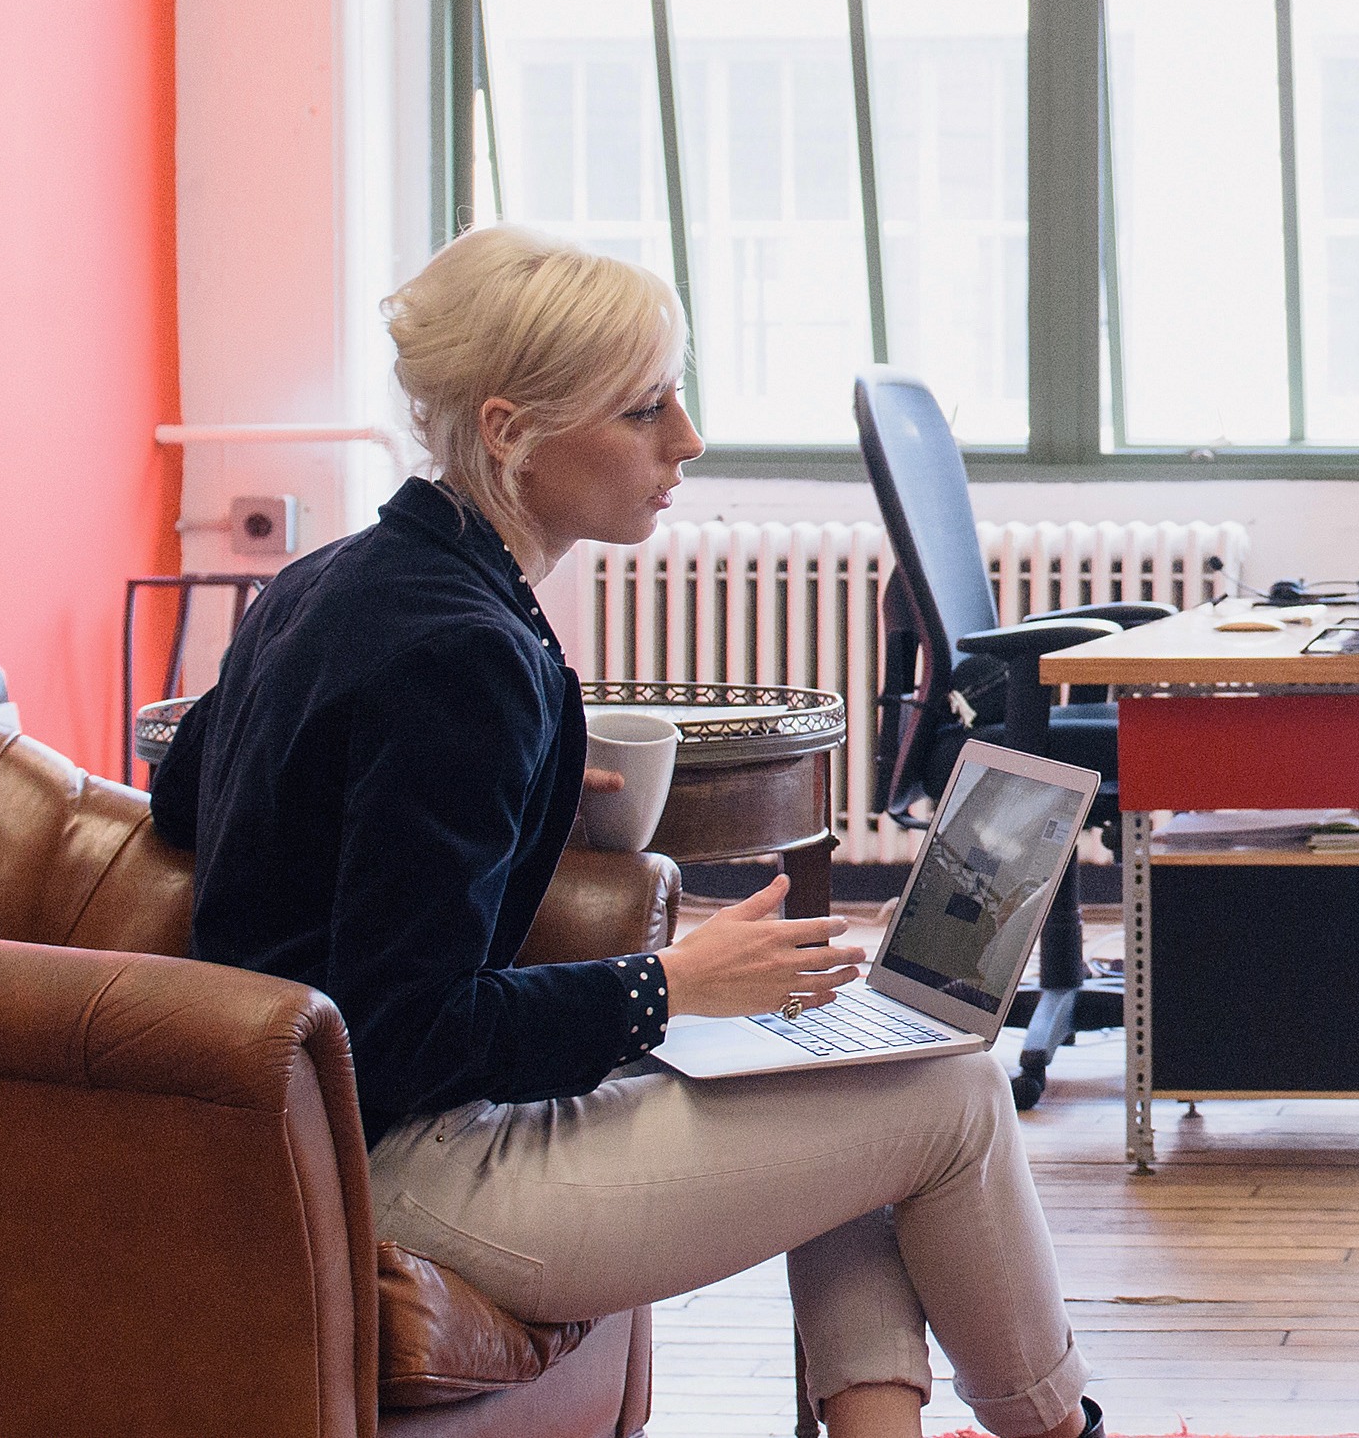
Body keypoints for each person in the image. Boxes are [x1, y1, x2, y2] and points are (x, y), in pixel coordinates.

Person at [156, 225, 1101, 1438]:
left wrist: (511, 780)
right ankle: (1060, 1426)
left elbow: (190, 792)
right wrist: (670, 982)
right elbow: (401, 1033)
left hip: (321, 1142)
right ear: (510, 431)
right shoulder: (462, 653)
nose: (687, 439)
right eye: (645, 406)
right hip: (402, 1167)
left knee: (850, 1081)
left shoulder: (333, 578)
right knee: (956, 1095)